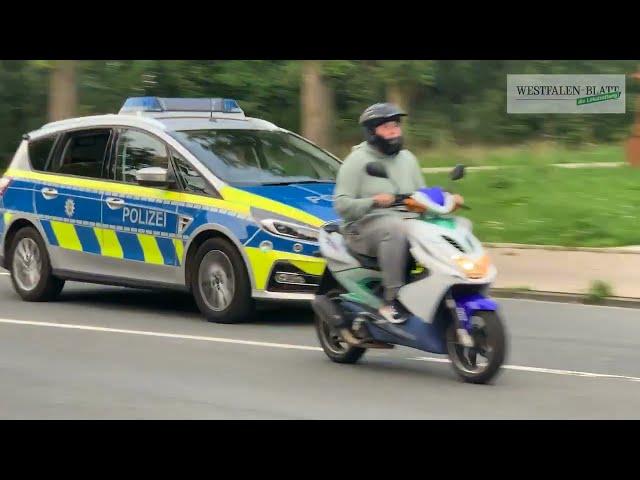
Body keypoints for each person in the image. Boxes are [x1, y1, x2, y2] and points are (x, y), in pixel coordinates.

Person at [334, 103, 463, 326]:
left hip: (405, 220)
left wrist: (448, 200)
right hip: (362, 228)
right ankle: (392, 299)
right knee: (395, 228)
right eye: (386, 127)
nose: (394, 131)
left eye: (396, 126)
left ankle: (450, 284)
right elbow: (341, 205)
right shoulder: (356, 161)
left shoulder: (408, 159)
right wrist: (373, 201)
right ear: (372, 132)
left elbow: (420, 196)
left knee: (456, 225)